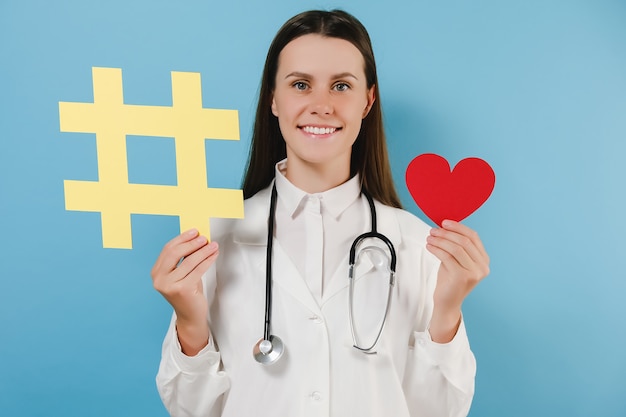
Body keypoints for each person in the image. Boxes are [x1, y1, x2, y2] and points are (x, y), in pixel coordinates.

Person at [151, 9, 490, 417]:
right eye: (300, 85)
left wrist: (447, 311)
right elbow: (192, 410)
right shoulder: (215, 235)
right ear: (273, 99)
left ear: (368, 101)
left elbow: (439, 411)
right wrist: (189, 324)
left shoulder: (417, 244)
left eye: (341, 86)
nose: (321, 105)